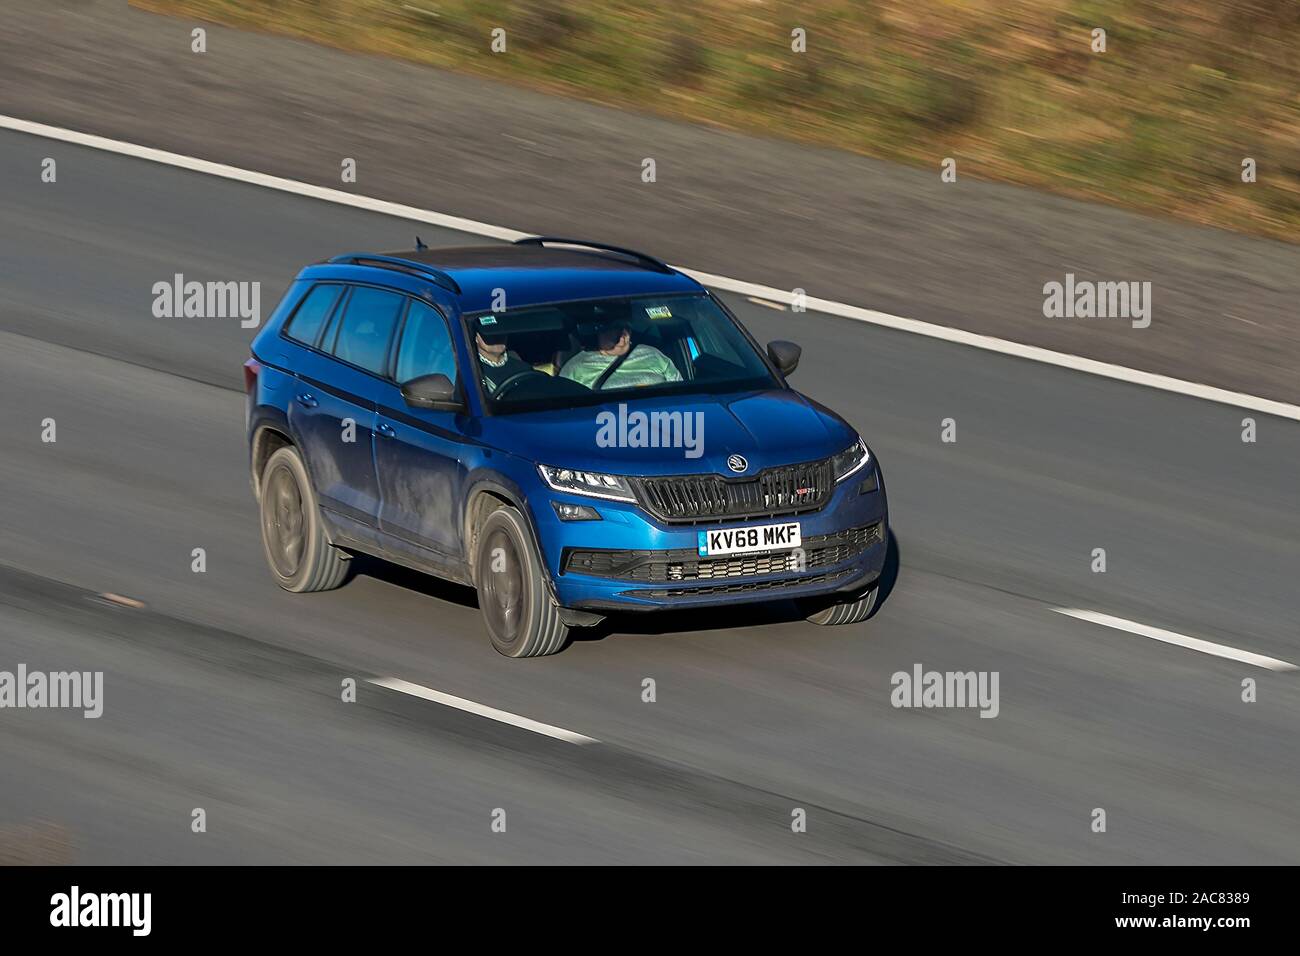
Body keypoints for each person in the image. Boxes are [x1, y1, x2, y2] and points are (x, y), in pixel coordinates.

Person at [559, 322, 681, 389]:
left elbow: (679, 390)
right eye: (615, 328)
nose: (622, 333)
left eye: (626, 327)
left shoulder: (653, 354)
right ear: (599, 332)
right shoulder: (576, 367)